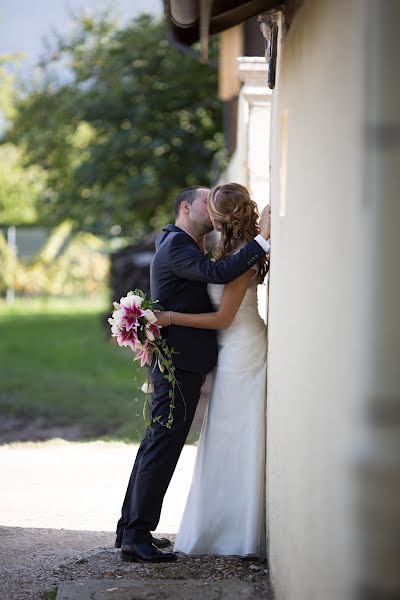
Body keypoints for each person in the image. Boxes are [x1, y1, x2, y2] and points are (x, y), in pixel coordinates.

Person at [116, 184, 271, 563]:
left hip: (187, 359)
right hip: (177, 362)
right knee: (163, 443)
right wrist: (264, 240)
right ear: (186, 207)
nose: (213, 208)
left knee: (158, 441)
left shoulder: (186, 244)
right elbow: (215, 274)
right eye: (207, 200)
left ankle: (129, 528)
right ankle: (136, 534)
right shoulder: (177, 246)